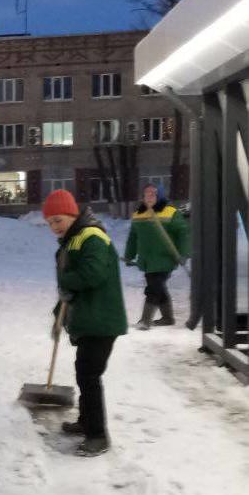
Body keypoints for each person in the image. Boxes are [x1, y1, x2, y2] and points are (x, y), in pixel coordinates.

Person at [43, 190, 128, 457]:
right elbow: (71, 290)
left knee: (89, 376)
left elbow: (93, 274)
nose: (54, 227)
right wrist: (60, 315)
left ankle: (98, 436)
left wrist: (67, 282)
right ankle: (86, 422)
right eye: (50, 223)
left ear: (71, 214)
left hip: (102, 320)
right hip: (90, 319)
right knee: (84, 372)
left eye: (58, 220)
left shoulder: (91, 237)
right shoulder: (73, 239)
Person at [124, 184, 190, 330]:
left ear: (159, 196)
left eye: (152, 194)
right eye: (146, 194)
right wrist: (129, 255)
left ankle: (145, 320)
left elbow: (183, 233)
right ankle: (168, 318)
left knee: (153, 287)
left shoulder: (171, 212)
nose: (148, 197)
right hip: (148, 260)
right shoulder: (138, 214)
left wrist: (184, 253)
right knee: (158, 286)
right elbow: (133, 237)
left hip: (165, 258)